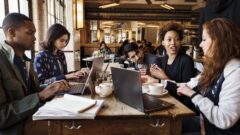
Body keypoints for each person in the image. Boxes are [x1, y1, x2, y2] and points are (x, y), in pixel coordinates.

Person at [0, 13, 69, 135]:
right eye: (29, 33)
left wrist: (52, 88)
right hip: (17, 129)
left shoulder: (26, 61)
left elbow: (31, 93)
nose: (35, 38)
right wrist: (40, 96)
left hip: (35, 116)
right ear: (11, 32)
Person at [178, 18, 240, 134]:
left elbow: (224, 119)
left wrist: (193, 95)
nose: (200, 44)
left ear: (219, 42)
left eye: (204, 39)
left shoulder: (235, 72)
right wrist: (159, 82)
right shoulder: (216, 66)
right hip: (205, 126)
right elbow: (188, 85)